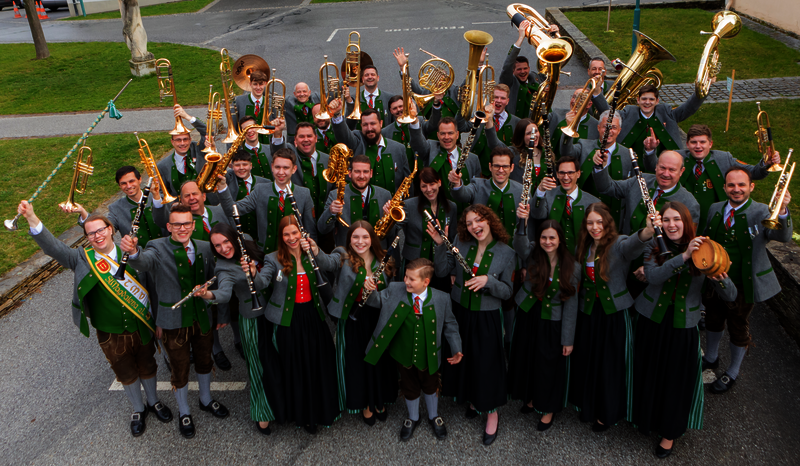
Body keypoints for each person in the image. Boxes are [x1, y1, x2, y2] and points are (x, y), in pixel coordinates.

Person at [17, 201, 173, 437]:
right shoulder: (81, 258)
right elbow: (53, 248)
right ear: (87, 237)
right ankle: (138, 409)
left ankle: (153, 402)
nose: (97, 236)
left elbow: (154, 287)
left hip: (141, 325)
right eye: (91, 233)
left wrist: (159, 320)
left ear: (111, 229)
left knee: (148, 365)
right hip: (109, 331)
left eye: (101, 230)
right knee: (125, 371)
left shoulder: (132, 251)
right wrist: (31, 216)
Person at [632, 202, 736, 458]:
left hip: (682, 327)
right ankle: (646, 419)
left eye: (676, 219)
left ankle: (669, 433)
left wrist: (722, 281)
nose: (671, 225)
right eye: (666, 220)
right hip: (651, 321)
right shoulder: (653, 246)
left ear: (686, 221)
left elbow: (731, 295)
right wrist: (684, 257)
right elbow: (654, 277)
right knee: (648, 373)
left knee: (676, 381)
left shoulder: (705, 249)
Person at [121, 203, 229, 439]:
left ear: (194, 224)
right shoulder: (156, 247)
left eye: (187, 223)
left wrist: (221, 314)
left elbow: (217, 281)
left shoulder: (204, 247)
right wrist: (134, 252)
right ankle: (184, 411)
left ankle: (205, 399)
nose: (182, 228)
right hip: (172, 323)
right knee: (179, 368)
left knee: (203, 360)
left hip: (201, 318)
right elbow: (143, 262)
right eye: (177, 224)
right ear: (169, 226)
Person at [701, 168, 792, 394]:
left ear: (751, 186)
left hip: (744, 283)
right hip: (714, 279)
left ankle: (732, 372)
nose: (736, 189)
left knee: (738, 327)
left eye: (742, 185)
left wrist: (782, 210)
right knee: (713, 319)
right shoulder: (715, 208)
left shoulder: (762, 210)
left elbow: (783, 237)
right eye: (731, 185)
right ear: (724, 188)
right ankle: (711, 357)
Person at [569, 203, 658, 433]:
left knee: (610, 364)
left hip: (614, 314)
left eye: (599, 222)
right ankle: (588, 405)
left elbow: (635, 244)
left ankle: (606, 413)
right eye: (590, 222)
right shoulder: (584, 245)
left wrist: (648, 230)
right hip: (589, 312)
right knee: (589, 359)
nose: (594, 227)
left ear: (608, 222)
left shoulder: (619, 244)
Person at [432, 205, 515, 445]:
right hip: (460, 311)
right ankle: (472, 399)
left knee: (486, 364)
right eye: (469, 223)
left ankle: (491, 413)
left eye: (479, 220)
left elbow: (508, 292)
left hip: (487, 315)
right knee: (465, 359)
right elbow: (442, 270)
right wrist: (439, 243)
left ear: (490, 221)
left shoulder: (506, 252)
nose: (474, 227)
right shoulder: (460, 241)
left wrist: (489, 281)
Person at [252, 216, 341, 432]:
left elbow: (333, 263)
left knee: (317, 364)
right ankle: (301, 413)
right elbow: (263, 282)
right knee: (295, 367)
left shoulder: (311, 253)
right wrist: (253, 273)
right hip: (287, 320)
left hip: (312, 315)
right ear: (281, 237)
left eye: (295, 233)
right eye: (286, 234)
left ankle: (317, 411)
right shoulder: (273, 258)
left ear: (302, 233)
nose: (292, 238)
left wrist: (317, 250)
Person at [362, 258, 463, 441]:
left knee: (431, 386)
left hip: (429, 355)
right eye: (406, 276)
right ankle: (413, 418)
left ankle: (434, 416)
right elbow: (376, 302)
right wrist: (369, 289)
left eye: (411, 279)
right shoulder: (395, 290)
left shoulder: (442, 298)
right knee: (409, 386)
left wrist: (456, 348)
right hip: (403, 354)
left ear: (426, 282)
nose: (406, 281)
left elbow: (450, 325)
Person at [205, 223, 283, 436]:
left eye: (225, 242)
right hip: (253, 318)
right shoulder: (222, 267)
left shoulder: (246, 241)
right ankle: (262, 412)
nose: (223, 248)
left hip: (275, 313)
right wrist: (208, 296)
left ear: (233, 237)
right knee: (259, 367)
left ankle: (283, 406)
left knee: (280, 362)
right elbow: (223, 293)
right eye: (217, 246)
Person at [507, 219, 579, 431]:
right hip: (529, 315)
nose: (547, 242)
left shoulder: (573, 267)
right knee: (528, 359)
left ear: (560, 240)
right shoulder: (532, 255)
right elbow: (519, 244)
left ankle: (548, 409)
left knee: (548, 365)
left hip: (552, 320)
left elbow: (571, 306)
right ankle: (530, 398)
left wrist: (567, 339)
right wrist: (521, 221)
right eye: (543, 237)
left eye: (552, 238)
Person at [326, 221, 399, 425]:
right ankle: (366, 402)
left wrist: (374, 291)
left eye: (365, 237)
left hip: (377, 317)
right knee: (359, 360)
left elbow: (390, 295)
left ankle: (379, 399)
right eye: (355, 237)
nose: (360, 241)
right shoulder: (343, 257)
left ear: (372, 239)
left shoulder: (385, 259)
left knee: (380, 359)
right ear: (349, 239)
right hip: (353, 318)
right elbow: (326, 262)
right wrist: (314, 249)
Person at [677, 124, 779, 232]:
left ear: (710, 144)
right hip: (682, 221)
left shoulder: (724, 158)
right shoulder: (677, 157)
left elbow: (753, 173)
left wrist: (766, 163)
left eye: (702, 142)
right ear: (687, 144)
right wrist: (655, 149)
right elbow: (658, 169)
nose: (698, 146)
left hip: (714, 222)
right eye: (693, 142)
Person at [229, 148, 317, 254]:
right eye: (277, 167)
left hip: (293, 256)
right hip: (265, 255)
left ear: (294, 169)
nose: (281, 172)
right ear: (272, 167)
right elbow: (233, 209)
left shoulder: (304, 193)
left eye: (286, 168)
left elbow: (310, 230)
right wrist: (222, 188)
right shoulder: (260, 190)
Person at [559, 110, 633, 224]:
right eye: (605, 127)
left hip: (614, 216)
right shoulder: (584, 145)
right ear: (598, 128)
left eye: (613, 127)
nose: (609, 131)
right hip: (585, 212)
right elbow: (566, 153)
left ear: (619, 131)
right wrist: (568, 129)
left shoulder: (628, 154)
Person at [592, 83, 708, 155]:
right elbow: (609, 114)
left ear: (657, 101)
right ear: (638, 100)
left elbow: (689, 108)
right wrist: (597, 92)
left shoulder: (667, 113)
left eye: (651, 99)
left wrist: (703, 88)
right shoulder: (628, 113)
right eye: (644, 99)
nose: (647, 102)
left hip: (664, 167)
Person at [328, 98, 410, 193]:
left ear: (381, 123)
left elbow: (407, 183)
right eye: (365, 125)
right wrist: (337, 114)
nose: (369, 128)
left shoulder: (398, 149)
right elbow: (343, 136)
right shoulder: (357, 141)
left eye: (373, 124)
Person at [396, 167, 457, 287]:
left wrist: (453, 270)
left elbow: (454, 240)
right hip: (413, 264)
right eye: (424, 186)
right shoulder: (408, 205)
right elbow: (393, 231)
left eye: (432, 184)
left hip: (441, 264)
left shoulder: (451, 207)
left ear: (439, 182)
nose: (429, 189)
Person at [318, 154, 393, 247]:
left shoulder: (385, 195)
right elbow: (322, 229)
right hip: (347, 256)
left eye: (365, 172)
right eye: (357, 171)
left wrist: (390, 220)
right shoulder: (334, 195)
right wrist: (330, 212)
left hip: (376, 257)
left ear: (371, 173)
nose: (361, 176)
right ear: (350, 173)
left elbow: (392, 235)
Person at [451, 147, 524, 242]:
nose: (501, 170)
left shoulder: (521, 190)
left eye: (505, 166)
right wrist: (457, 183)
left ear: (512, 168)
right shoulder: (478, 185)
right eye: (497, 166)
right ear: (490, 167)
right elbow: (462, 195)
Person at [532, 155, 601, 253]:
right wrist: (540, 191)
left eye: (570, 173)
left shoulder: (593, 202)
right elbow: (536, 215)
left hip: (580, 258)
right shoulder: (548, 194)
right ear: (557, 174)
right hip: (552, 257)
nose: (565, 177)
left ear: (578, 174)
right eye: (562, 173)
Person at [409, 116, 481, 207]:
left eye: (450, 133)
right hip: (438, 211)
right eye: (443, 134)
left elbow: (476, 190)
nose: (446, 137)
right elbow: (417, 143)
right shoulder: (431, 148)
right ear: (438, 135)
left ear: (457, 135)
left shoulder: (472, 159)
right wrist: (414, 121)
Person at [271, 121, 331, 220]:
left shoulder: (328, 160)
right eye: (301, 136)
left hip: (324, 220)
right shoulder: (291, 153)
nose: (306, 140)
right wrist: (277, 133)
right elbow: (278, 152)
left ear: (316, 138)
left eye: (309, 136)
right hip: (297, 219)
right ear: (295, 140)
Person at [463, 85, 521, 177]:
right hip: (480, 173)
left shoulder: (517, 122)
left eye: (502, 98)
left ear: (507, 101)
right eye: (495, 97)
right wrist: (463, 104)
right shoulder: (480, 115)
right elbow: (462, 126)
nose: (498, 100)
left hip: (503, 174)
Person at [156, 105, 209, 201]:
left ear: (190, 140)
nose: (182, 143)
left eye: (185, 139)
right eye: (178, 140)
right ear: (172, 142)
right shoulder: (162, 166)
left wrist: (187, 117)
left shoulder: (199, 150)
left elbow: (208, 132)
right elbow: (162, 193)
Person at [394, 47, 462, 123]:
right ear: (432, 80)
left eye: (443, 79)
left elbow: (467, 86)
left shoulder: (454, 91)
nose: (439, 82)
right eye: (437, 79)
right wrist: (403, 67)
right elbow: (409, 86)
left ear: (447, 80)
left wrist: (478, 67)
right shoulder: (425, 92)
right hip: (430, 132)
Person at [499, 19, 549, 118]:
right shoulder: (509, 81)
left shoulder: (535, 77)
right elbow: (507, 65)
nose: (523, 72)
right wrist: (521, 37)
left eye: (525, 68)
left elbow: (552, 68)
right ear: (513, 71)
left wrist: (552, 33)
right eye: (519, 69)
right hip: (515, 126)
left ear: (529, 68)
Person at [106, 166, 165, 248]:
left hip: (166, 251)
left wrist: (157, 197)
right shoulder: (116, 208)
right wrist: (84, 214)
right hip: (140, 256)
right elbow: (104, 228)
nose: (128, 186)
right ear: (119, 186)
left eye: (131, 181)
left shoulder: (158, 197)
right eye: (123, 183)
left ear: (140, 179)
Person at [381, 94, 440, 170]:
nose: (398, 110)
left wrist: (436, 105)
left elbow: (434, 124)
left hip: (421, 170)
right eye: (395, 108)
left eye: (400, 106)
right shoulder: (385, 132)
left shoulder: (420, 121)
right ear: (391, 111)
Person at [485, 117, 546, 187]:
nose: (534, 135)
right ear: (521, 136)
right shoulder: (514, 152)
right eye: (529, 133)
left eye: (536, 131)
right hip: (521, 195)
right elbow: (494, 144)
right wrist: (489, 119)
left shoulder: (546, 153)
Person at [226, 150, 269, 242]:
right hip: (236, 235)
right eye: (237, 165)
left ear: (251, 165)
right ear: (232, 166)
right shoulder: (228, 181)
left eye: (245, 164)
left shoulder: (265, 183)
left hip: (260, 235)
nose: (241, 168)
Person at [550, 87, 601, 158]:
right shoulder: (556, 114)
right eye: (574, 97)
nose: (574, 101)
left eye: (580, 99)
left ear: (589, 105)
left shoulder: (595, 126)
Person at [344, 65, 395, 129]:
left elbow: (395, 124)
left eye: (372, 74)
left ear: (378, 78)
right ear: (362, 79)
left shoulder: (389, 98)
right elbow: (348, 126)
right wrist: (349, 102)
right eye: (366, 75)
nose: (370, 77)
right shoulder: (353, 99)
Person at [233, 70, 270, 143]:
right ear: (250, 84)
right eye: (255, 84)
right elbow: (233, 128)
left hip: (266, 148)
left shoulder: (271, 103)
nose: (258, 87)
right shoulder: (239, 101)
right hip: (244, 148)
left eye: (261, 84)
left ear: (265, 84)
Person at [237, 116, 274, 181]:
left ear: (257, 128)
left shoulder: (271, 149)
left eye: (252, 127)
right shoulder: (238, 155)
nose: (249, 131)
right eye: (245, 129)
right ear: (241, 133)